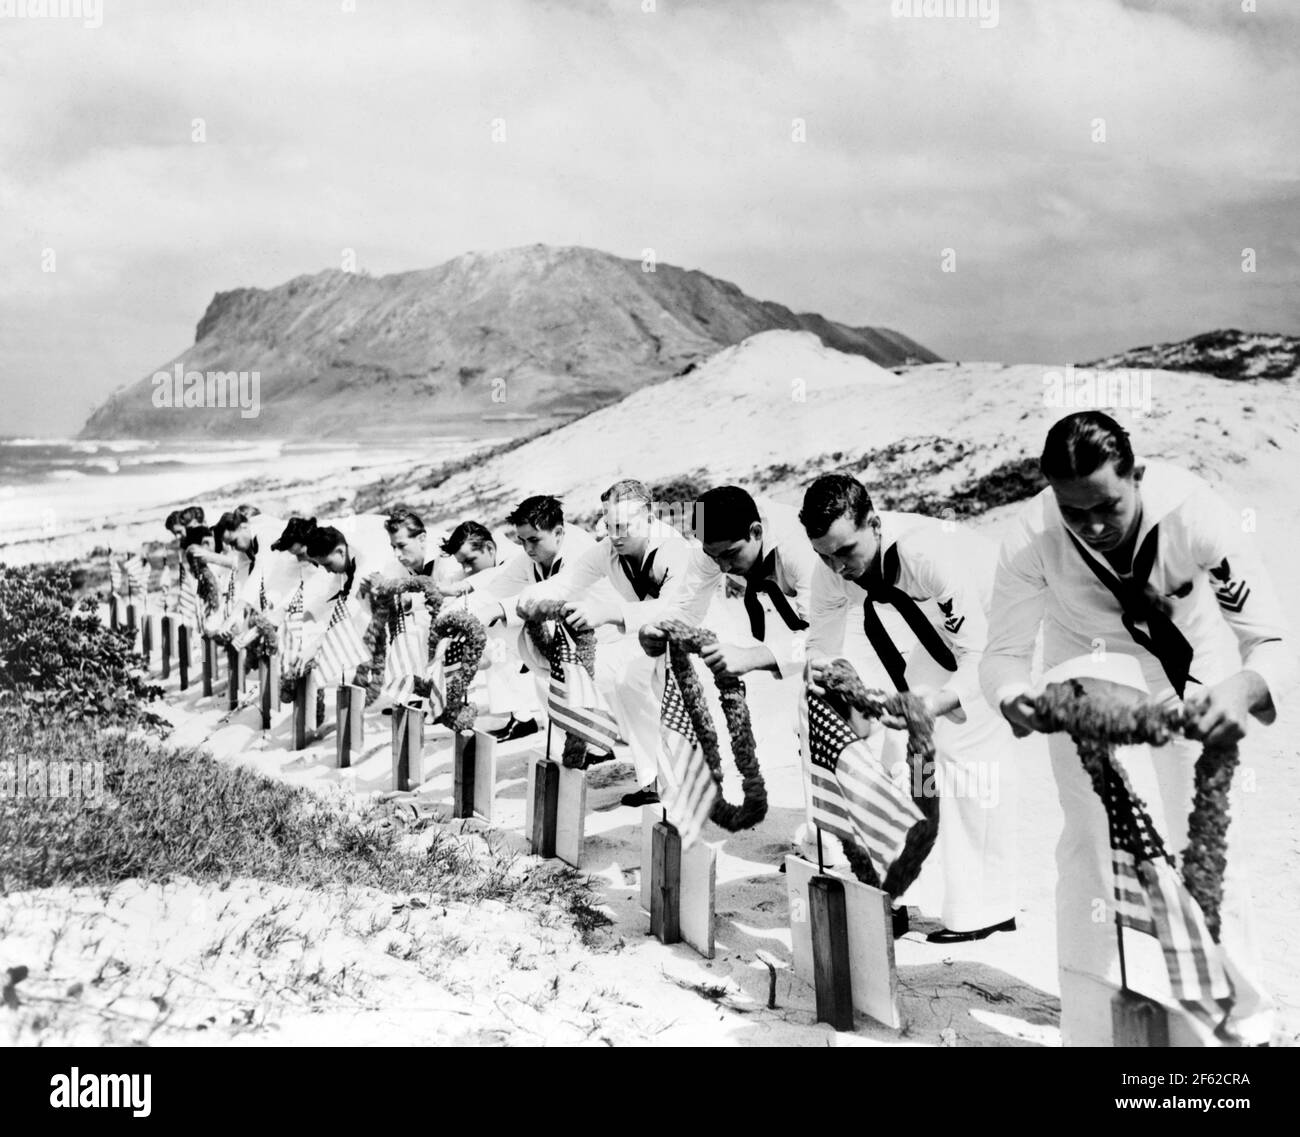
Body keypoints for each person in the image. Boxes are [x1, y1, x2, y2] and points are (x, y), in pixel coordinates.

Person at [980, 410, 1294, 1045]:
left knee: (1203, 847)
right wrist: (1012, 698)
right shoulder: (1029, 534)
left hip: (1193, 675)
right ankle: (1093, 1021)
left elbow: (1276, 640)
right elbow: (1003, 655)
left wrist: (1244, 687)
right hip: (1085, 679)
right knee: (1090, 849)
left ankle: (1241, 1021)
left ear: (1137, 474)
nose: (1093, 527)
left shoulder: (1194, 514)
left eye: (1108, 506)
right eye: (1075, 512)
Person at [799, 472, 1021, 943]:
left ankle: (985, 907)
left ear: (874, 524)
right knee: (898, 758)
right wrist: (830, 684)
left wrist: (936, 703)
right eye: (824, 555)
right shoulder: (831, 565)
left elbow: (978, 655)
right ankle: (891, 894)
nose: (837, 568)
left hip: (999, 619)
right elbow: (820, 643)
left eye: (845, 552)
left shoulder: (927, 554)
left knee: (965, 754)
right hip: (943, 632)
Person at [516, 478, 693, 805]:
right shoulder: (609, 549)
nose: (615, 535)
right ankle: (653, 779)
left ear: (649, 517)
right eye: (610, 525)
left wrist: (609, 611)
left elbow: (674, 609)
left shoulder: (674, 549)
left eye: (624, 526)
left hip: (698, 636)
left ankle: (678, 780)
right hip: (649, 638)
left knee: (645, 687)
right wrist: (530, 598)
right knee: (619, 679)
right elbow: (566, 583)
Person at [640, 484, 816, 680]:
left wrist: (752, 657)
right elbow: (687, 608)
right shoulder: (715, 547)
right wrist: (657, 629)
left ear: (756, 532)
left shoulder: (799, 549)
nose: (723, 568)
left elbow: (823, 637)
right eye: (714, 557)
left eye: (730, 555)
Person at [467, 495, 603, 741]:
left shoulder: (581, 550)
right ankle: (572, 750)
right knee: (541, 673)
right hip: (568, 638)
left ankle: (589, 746)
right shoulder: (532, 555)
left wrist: (496, 609)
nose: (528, 549)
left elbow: (553, 592)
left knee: (559, 683)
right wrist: (456, 618)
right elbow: (496, 588)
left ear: (558, 532)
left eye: (533, 540)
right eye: (522, 541)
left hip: (605, 639)